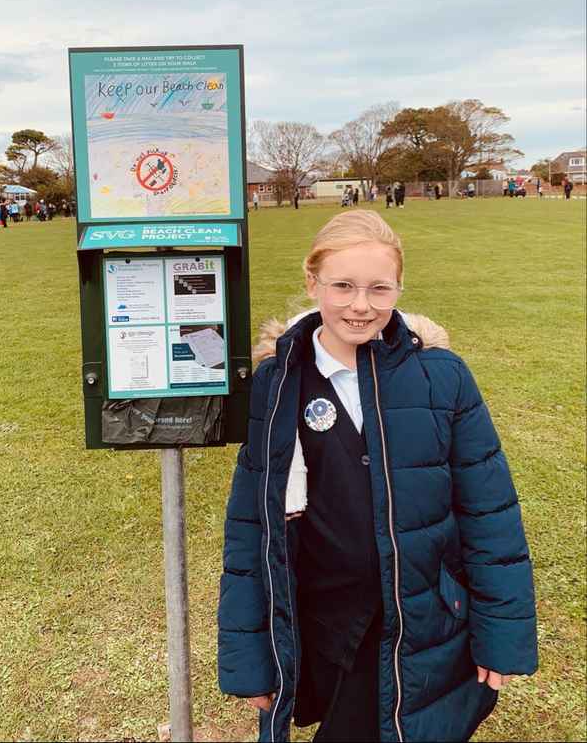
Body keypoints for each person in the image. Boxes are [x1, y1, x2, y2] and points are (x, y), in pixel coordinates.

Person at [217, 210, 538, 743]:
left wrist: (502, 636)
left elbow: (490, 513)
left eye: (378, 288)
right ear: (311, 281)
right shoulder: (278, 381)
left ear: (398, 289)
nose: (361, 305)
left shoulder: (442, 377)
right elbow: (252, 522)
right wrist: (250, 655)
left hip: (414, 616)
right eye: (342, 286)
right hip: (319, 619)